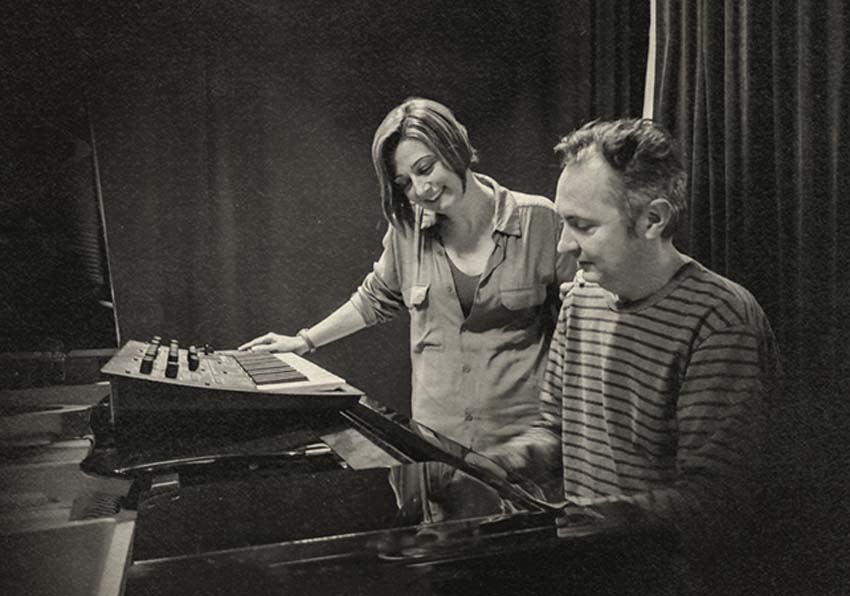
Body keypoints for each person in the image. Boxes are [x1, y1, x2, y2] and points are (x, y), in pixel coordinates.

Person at [486, 118, 781, 558]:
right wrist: (507, 459)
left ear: (653, 219)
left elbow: (714, 501)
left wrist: (585, 521)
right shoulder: (582, 298)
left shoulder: (719, 319)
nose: (564, 245)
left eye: (582, 226)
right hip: (597, 563)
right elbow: (554, 431)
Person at [240, 98, 575, 452]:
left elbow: (582, 315)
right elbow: (373, 299)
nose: (421, 189)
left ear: (454, 146)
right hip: (437, 447)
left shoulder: (540, 220)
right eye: (405, 182)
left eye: (426, 167)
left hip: (527, 446)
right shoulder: (407, 231)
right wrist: (303, 341)